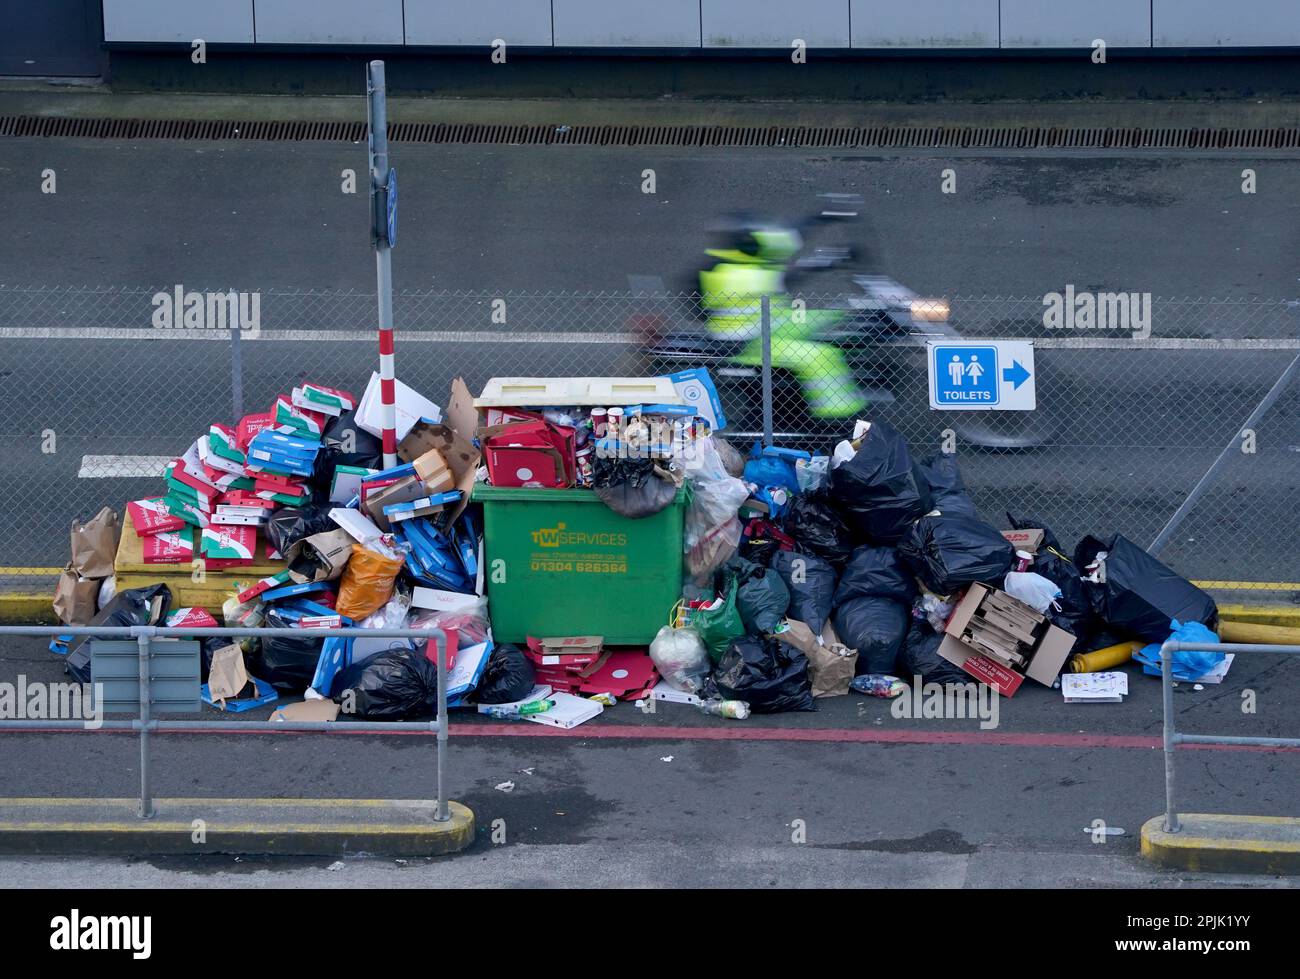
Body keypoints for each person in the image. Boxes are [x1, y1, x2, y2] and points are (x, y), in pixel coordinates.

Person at [698, 224, 867, 419]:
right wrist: (826, 261)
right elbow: (782, 275)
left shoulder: (741, 265)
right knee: (820, 355)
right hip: (749, 342)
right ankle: (839, 416)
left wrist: (823, 217)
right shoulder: (735, 273)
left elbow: (791, 238)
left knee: (827, 317)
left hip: (766, 327)